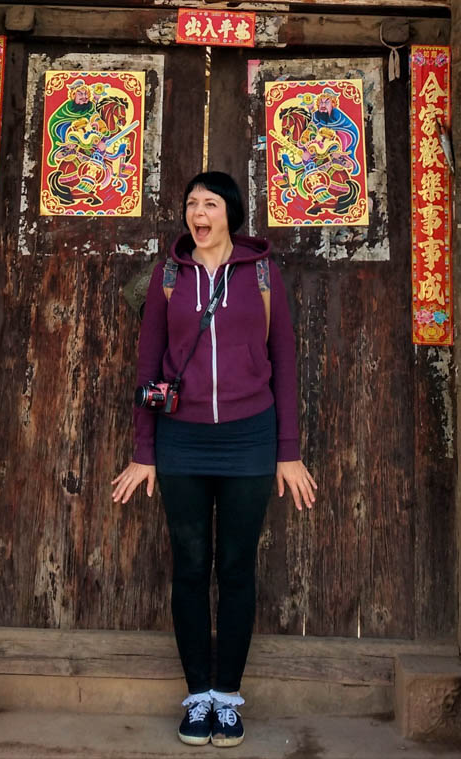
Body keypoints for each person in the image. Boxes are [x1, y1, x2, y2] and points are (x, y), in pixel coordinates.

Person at [112, 171, 317, 748]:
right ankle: (197, 694)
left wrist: (288, 452)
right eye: (191, 205)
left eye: (210, 204)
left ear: (230, 212)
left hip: (250, 440)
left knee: (235, 569)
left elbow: (285, 365)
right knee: (190, 569)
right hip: (182, 441)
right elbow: (147, 366)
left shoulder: (264, 276)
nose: (198, 213)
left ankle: (228, 697)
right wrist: (144, 452)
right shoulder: (169, 276)